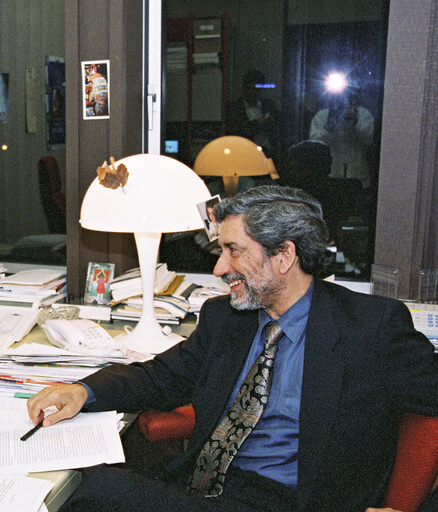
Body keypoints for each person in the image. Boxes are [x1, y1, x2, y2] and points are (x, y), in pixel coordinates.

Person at [27, 185, 438, 512]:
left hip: (287, 502)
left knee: (88, 491)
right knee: (77, 482)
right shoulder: (227, 318)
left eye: (233, 251)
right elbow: (163, 376)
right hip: (201, 485)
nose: (220, 268)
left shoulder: (370, 329)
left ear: (284, 256)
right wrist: (83, 391)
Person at [309, 92, 375, 188]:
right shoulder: (322, 116)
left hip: (358, 177)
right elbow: (314, 142)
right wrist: (331, 124)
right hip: (330, 175)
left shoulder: (363, 114)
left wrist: (355, 121)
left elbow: (370, 139)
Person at [225, 70, 281, 160]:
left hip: (267, 155)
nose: (252, 92)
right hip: (243, 154)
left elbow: (278, 128)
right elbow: (236, 131)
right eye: (248, 89)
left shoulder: (268, 105)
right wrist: (257, 123)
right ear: (243, 88)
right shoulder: (235, 108)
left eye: (255, 89)